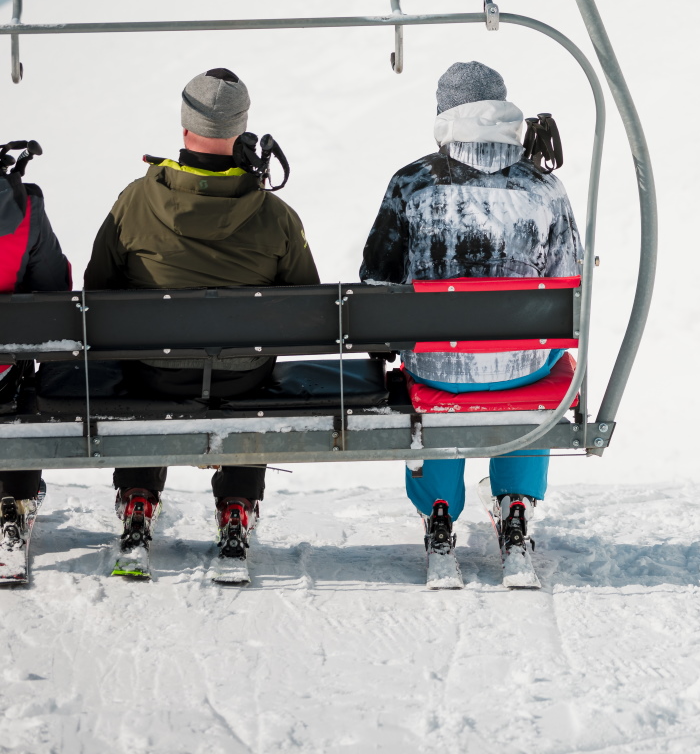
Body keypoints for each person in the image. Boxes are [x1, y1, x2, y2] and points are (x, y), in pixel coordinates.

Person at [84, 68, 318, 560]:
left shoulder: (135, 200)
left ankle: (139, 498)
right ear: (241, 130)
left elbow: (96, 291)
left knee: (134, 362)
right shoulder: (275, 215)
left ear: (186, 127)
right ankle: (236, 503)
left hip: (154, 375)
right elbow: (306, 306)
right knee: (252, 364)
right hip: (243, 378)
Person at [359, 61, 581, 577]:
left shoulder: (412, 182)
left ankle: (439, 513)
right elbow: (569, 279)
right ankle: (517, 508)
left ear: (444, 118)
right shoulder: (545, 186)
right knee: (536, 364)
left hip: (436, 362)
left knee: (432, 369)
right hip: (524, 366)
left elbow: (376, 278)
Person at [0, 141, 72, 553]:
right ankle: (16, 498)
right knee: (24, 366)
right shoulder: (26, 212)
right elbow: (54, 296)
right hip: (2, 373)